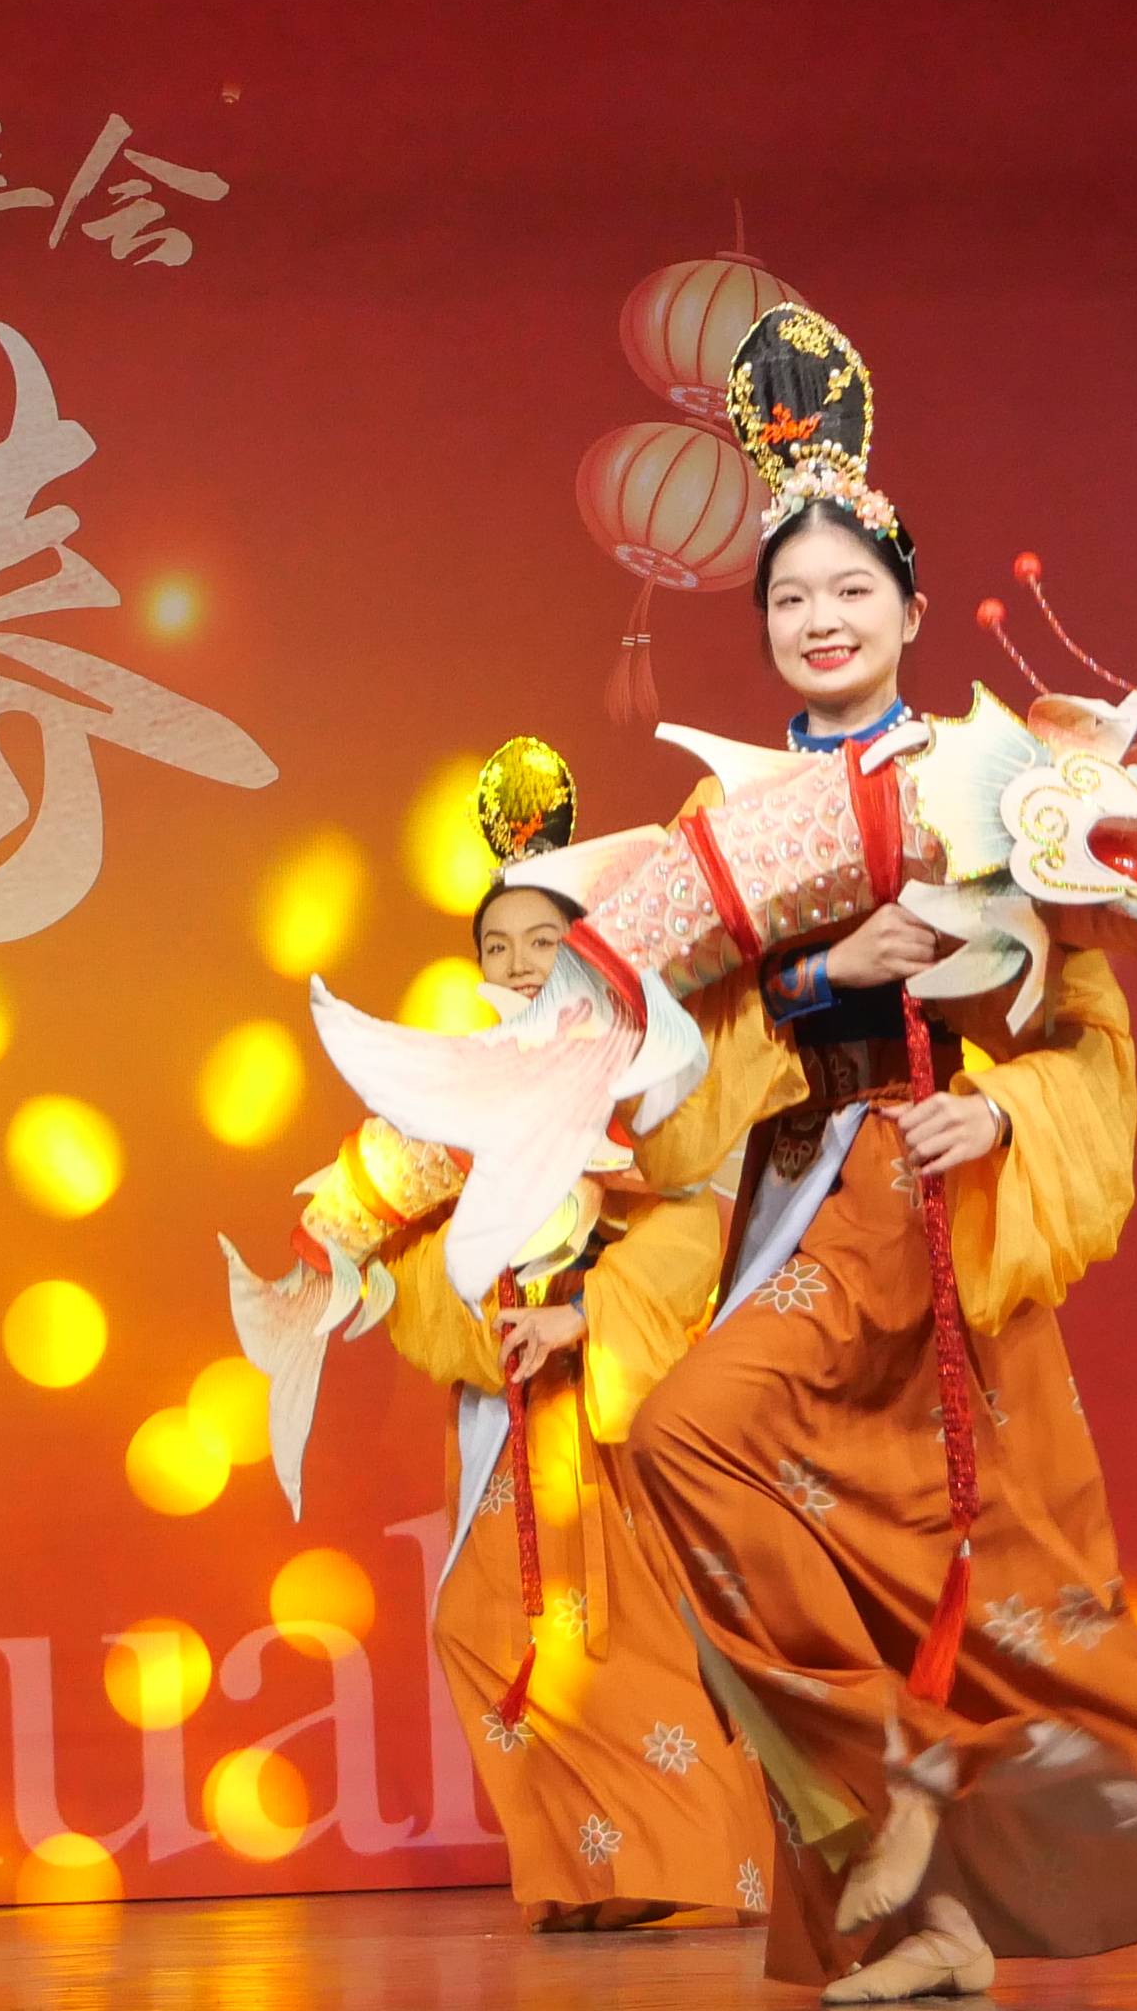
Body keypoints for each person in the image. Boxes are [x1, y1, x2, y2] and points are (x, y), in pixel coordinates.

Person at [625, 307, 1137, 2002]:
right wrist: (819, 972)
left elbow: (1083, 1021)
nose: (820, 620)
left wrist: (1011, 1108)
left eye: (850, 591)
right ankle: (902, 1878)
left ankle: (919, 1850)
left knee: (937, 1554)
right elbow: (672, 1057)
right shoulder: (720, 821)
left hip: (925, 1182)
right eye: (788, 600)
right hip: (798, 1193)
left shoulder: (991, 778)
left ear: (909, 608)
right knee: (719, 1474)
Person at [361, 738, 768, 1931]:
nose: (517, 965)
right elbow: (415, 1228)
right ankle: (591, 1870)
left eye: (542, 942)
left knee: (619, 1633)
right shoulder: (463, 1086)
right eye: (496, 947)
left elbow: (696, 1219)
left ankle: (679, 1865)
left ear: (590, 952)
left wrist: (584, 1308)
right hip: (512, 1403)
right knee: (489, 1627)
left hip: (606, 1401)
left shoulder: (641, 1072)